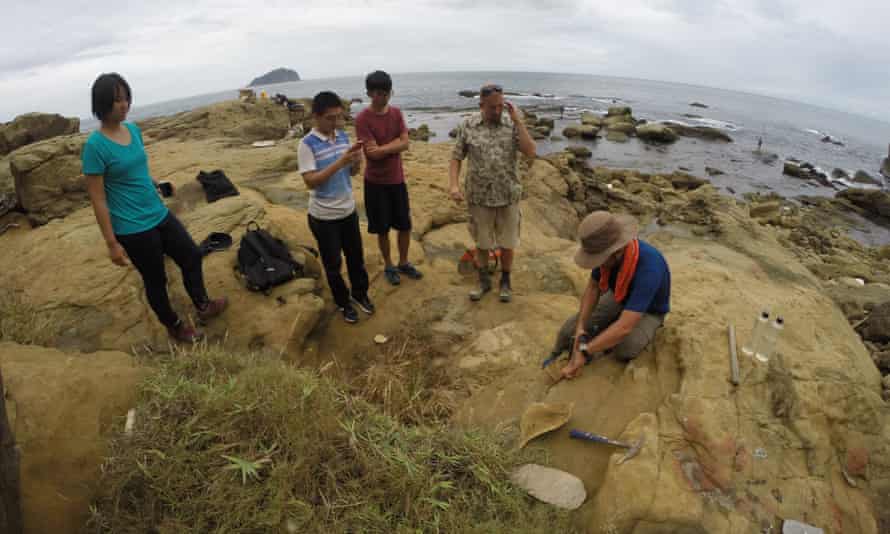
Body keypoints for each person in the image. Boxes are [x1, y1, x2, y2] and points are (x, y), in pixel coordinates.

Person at [82, 73, 227, 343]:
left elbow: (137, 169)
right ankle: (175, 326)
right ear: (102, 104)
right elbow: (98, 198)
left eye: (126, 98)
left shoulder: (133, 130)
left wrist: (156, 183)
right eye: (116, 100)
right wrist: (112, 243)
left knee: (191, 256)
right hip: (132, 227)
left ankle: (203, 305)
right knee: (156, 280)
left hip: (158, 213)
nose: (124, 105)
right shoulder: (95, 146)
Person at [549, 211, 671, 379]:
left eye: (598, 259)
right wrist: (580, 328)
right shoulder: (606, 257)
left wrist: (584, 351)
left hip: (649, 310)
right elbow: (593, 288)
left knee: (625, 348)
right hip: (619, 296)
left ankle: (624, 330)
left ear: (616, 251)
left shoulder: (650, 267)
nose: (596, 263)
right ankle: (606, 331)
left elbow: (624, 327)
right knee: (567, 332)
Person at [449, 83, 536, 302]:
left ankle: (505, 280)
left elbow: (530, 151)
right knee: (482, 242)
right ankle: (483, 280)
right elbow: (456, 157)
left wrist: (517, 120)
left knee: (507, 242)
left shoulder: (512, 123)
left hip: (508, 195)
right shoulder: (467, 125)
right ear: (481, 105)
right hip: (479, 196)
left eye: (500, 106)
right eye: (491, 108)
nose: (497, 111)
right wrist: (454, 185)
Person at [298, 91, 374, 324]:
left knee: (356, 259)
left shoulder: (342, 137)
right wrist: (340, 162)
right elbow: (310, 180)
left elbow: (350, 173)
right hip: (324, 216)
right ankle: (343, 303)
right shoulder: (306, 145)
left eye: (340, 117)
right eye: (331, 118)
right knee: (333, 265)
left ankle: (360, 294)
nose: (336, 123)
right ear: (316, 117)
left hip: (348, 211)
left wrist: (355, 163)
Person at [355, 70, 422, 286]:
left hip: (397, 180)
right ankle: (389, 265)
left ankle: (403, 262)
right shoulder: (363, 119)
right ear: (369, 93)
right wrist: (395, 145)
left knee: (404, 225)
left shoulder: (396, 113)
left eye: (386, 93)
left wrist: (386, 147)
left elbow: (405, 142)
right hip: (375, 182)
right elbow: (371, 153)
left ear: (391, 92)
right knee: (382, 228)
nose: (382, 97)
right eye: (377, 93)